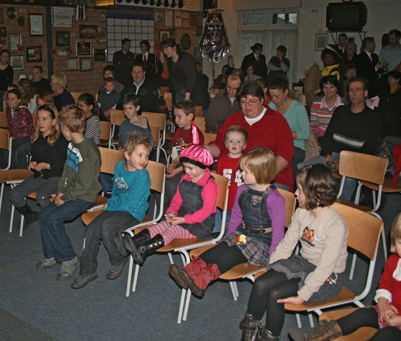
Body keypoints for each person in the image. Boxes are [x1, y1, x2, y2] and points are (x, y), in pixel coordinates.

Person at [290, 209, 401, 341]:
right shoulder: (394, 261)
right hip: (393, 309)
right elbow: (385, 285)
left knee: (386, 335)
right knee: (361, 314)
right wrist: (383, 305)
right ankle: (318, 336)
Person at [239, 164, 348, 341]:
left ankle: (269, 337)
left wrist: (304, 294)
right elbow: (287, 244)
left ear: (316, 193)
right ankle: (248, 334)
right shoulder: (302, 212)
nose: (295, 193)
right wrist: (271, 267)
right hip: (304, 263)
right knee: (261, 283)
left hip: (328, 276)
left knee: (276, 294)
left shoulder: (335, 226)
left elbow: (325, 268)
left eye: (300, 189)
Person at [169, 147, 286, 297]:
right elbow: (236, 216)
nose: (241, 174)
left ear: (261, 172)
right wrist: (230, 237)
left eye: (245, 172)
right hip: (244, 234)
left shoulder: (275, 198)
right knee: (224, 246)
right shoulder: (242, 190)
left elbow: (278, 232)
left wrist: (273, 257)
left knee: (235, 251)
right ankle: (190, 270)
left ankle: (204, 278)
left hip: (261, 241)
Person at [72, 132, 153, 289]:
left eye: (147, 156)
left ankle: (117, 259)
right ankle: (87, 270)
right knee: (92, 229)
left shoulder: (142, 176)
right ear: (127, 155)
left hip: (133, 212)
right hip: (117, 207)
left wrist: (110, 203)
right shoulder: (118, 167)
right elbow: (116, 190)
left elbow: (131, 201)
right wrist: (111, 204)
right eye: (140, 155)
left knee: (108, 227)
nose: (144, 160)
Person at [119, 145, 217, 265]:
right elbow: (177, 200)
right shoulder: (186, 178)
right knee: (162, 225)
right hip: (183, 217)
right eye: (185, 167)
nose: (186, 171)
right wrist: (172, 212)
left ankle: (143, 249)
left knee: (173, 230)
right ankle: (132, 243)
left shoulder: (209, 184)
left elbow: (206, 211)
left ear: (203, 167)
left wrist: (184, 219)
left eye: (190, 168)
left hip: (200, 225)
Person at [36, 106, 101, 281]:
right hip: (71, 192)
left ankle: (69, 258)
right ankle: (51, 255)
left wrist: (65, 197)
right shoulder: (72, 145)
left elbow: (84, 185)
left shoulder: (88, 151)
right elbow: (67, 172)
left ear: (66, 128)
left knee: (53, 218)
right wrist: (60, 192)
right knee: (44, 215)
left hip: (85, 196)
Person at [208, 81, 295, 191]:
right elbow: (220, 145)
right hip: (234, 173)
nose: (247, 106)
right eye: (243, 102)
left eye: (252, 101)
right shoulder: (233, 119)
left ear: (262, 101)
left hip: (271, 176)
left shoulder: (277, 120)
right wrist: (204, 149)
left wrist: (265, 176)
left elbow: (285, 154)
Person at [321, 77, 384, 201]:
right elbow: (327, 136)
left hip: (356, 160)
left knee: (348, 178)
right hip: (334, 156)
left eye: (358, 90)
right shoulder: (340, 111)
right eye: (351, 90)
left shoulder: (374, 118)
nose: (354, 93)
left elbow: (370, 147)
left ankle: (343, 211)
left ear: (365, 93)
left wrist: (347, 162)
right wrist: (327, 154)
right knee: (306, 168)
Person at [10, 104, 68, 229]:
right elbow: (36, 157)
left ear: (53, 121)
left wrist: (47, 166)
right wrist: (34, 163)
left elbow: (65, 165)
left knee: (41, 197)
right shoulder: (36, 138)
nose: (40, 122)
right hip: (40, 175)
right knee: (15, 194)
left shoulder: (61, 140)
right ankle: (30, 215)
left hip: (56, 176)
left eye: (44, 119)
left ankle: (54, 222)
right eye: (38, 119)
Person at [268, 78, 310, 185]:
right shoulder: (271, 106)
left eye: (277, 96)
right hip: (276, 145)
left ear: (286, 92)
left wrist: (284, 134)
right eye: (271, 96)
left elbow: (305, 133)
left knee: (285, 160)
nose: (274, 99)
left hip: (296, 147)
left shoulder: (298, 108)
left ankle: (292, 190)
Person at [165, 100, 204, 207]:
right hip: (180, 165)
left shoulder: (197, 135)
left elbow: (194, 160)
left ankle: (177, 209)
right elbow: (175, 149)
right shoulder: (179, 131)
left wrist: (178, 169)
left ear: (190, 116)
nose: (176, 120)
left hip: (191, 169)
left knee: (172, 185)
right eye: (175, 116)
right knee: (162, 179)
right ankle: (166, 208)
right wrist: (175, 161)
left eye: (179, 116)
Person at [213, 125, 247, 234]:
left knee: (236, 228)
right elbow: (219, 181)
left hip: (240, 203)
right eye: (231, 141)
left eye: (238, 141)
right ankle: (219, 233)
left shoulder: (246, 161)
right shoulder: (222, 160)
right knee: (225, 223)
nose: (234, 144)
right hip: (226, 200)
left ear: (245, 145)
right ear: (226, 144)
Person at [310, 76, 343, 149]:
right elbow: (314, 126)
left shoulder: (344, 104)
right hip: (321, 137)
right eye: (325, 87)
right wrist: (316, 142)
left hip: (338, 139)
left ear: (337, 89)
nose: (328, 90)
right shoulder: (316, 103)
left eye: (332, 87)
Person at [5, 89, 34, 169]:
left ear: (19, 100)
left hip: (27, 138)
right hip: (15, 138)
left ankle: (19, 171)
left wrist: (14, 137)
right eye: (8, 99)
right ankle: (8, 168)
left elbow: (27, 131)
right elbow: (10, 127)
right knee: (3, 147)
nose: (10, 101)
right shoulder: (9, 112)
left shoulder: (23, 111)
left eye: (12, 99)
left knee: (15, 146)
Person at [161, 38, 196, 103]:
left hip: (190, 90)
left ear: (174, 47)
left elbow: (191, 77)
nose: (165, 52)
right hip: (178, 90)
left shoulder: (186, 58)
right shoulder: (169, 60)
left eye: (166, 49)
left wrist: (187, 97)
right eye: (163, 49)